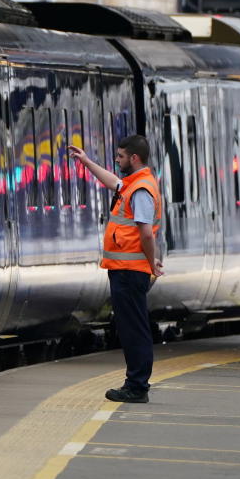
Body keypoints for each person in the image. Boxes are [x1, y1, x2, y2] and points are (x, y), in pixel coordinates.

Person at [67, 135, 164, 404]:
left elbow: (146, 234)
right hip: (125, 269)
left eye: (121, 157)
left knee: (134, 329)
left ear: (134, 158)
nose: (117, 160)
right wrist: (86, 162)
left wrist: (152, 261)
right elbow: (113, 181)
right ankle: (135, 383)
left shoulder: (142, 190)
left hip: (131, 270)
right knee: (131, 327)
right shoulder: (134, 185)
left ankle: (137, 386)